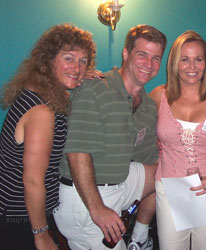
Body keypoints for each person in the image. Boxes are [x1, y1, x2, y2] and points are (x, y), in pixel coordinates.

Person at [52, 24, 166, 250]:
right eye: (142, 55)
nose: (149, 64)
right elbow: (77, 154)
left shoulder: (148, 106)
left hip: (119, 183)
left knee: (166, 172)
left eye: (155, 58)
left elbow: (151, 157)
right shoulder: (94, 89)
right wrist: (98, 209)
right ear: (126, 53)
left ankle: (140, 237)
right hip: (83, 197)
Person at [0, 24, 96, 250]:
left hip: (22, 212)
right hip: (20, 218)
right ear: (49, 60)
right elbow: (33, 180)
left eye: (83, 61)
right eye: (69, 59)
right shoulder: (42, 112)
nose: (77, 67)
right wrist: (41, 234)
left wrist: (77, 77)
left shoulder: (40, 89)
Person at [149, 30, 206, 250]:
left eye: (198, 59)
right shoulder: (158, 96)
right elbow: (138, 129)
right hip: (169, 188)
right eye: (185, 59)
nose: (192, 66)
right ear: (175, 63)